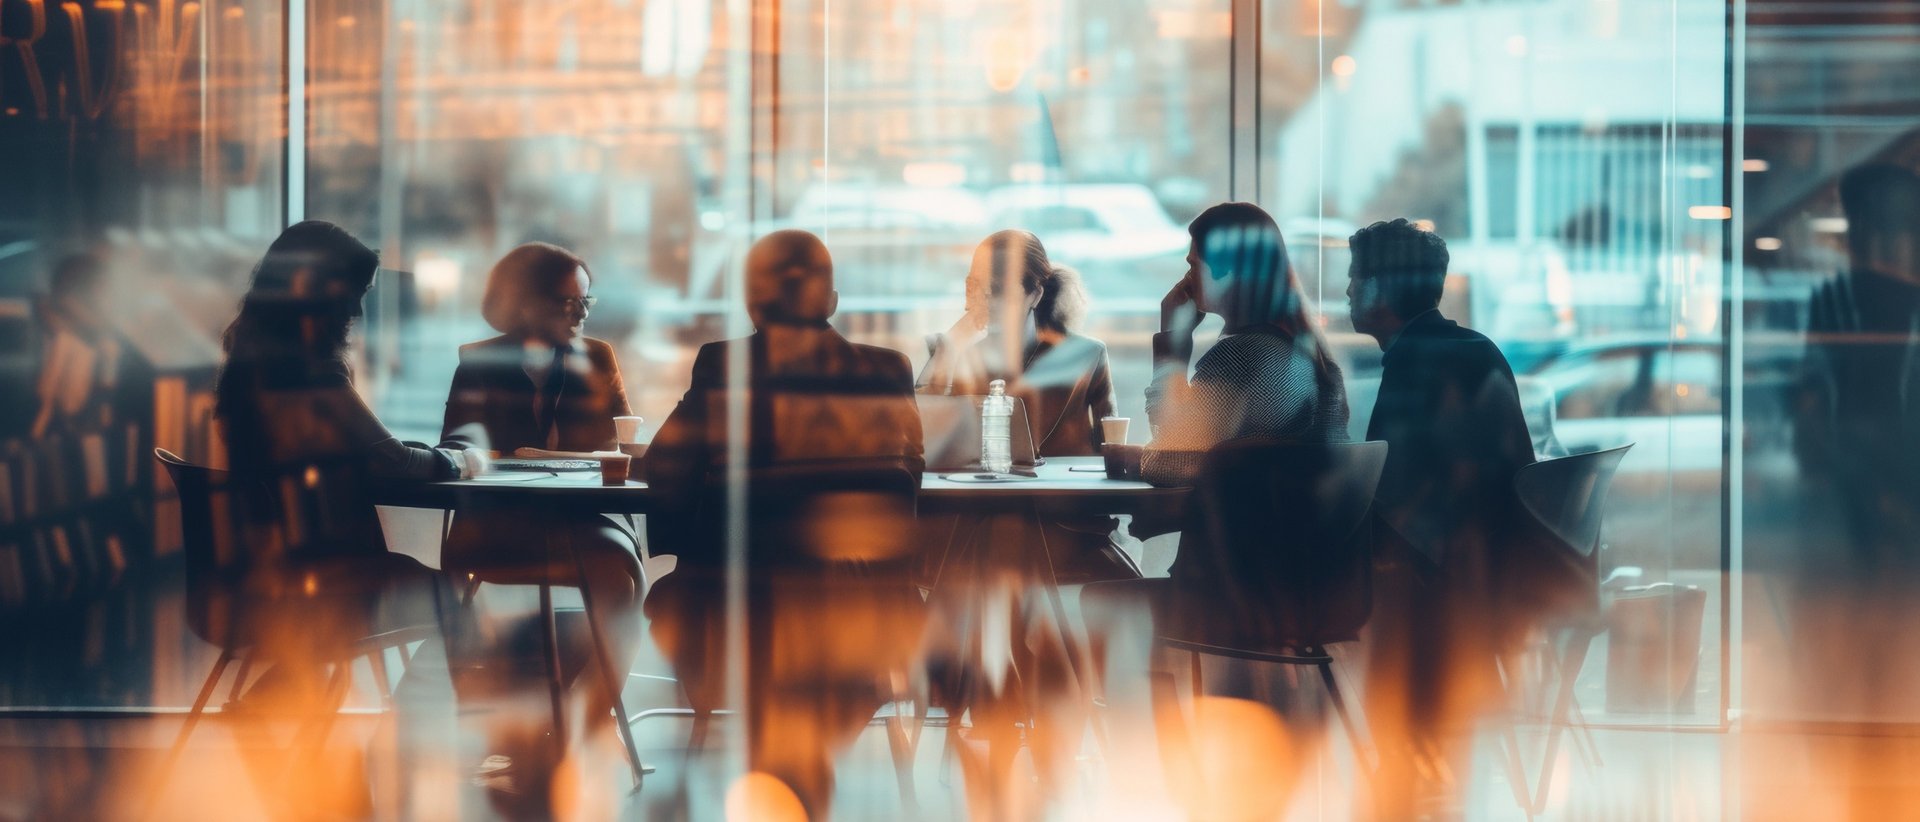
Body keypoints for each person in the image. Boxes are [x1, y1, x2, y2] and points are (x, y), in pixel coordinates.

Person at [644, 230, 925, 817]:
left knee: (720, 619)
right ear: (833, 301)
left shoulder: (721, 363)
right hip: (862, 609)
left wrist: (691, 553)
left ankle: (787, 766)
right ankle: (802, 760)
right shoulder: (888, 369)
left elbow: (666, 465)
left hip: (739, 601)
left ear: (752, 304)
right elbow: (909, 477)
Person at [213, 220, 485, 715]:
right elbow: (392, 460)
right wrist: (461, 460)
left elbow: (368, 450)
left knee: (442, 597)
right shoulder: (313, 370)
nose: (357, 312)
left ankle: (263, 705)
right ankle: (428, 731)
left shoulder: (253, 362)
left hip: (269, 567)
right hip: (329, 577)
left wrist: (408, 454)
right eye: (352, 295)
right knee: (456, 600)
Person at [1344, 217, 1538, 816]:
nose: (1346, 290)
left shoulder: (1415, 361)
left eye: (1354, 277)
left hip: (1438, 595)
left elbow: (1390, 498)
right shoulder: (1475, 347)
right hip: (1495, 578)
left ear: (1380, 288)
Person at [435, 241, 645, 793]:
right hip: (501, 522)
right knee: (457, 584)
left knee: (623, 578)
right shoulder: (479, 360)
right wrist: (484, 455)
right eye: (567, 302)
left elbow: (620, 440)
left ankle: (584, 722)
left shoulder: (597, 357)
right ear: (525, 302)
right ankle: (513, 719)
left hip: (582, 518)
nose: (580, 313)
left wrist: (605, 454)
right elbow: (455, 444)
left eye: (585, 301)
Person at [919, 229, 1136, 582]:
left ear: (1035, 293)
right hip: (986, 522)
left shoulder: (1086, 355)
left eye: (998, 290)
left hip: (1065, 525)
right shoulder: (970, 358)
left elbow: (1113, 451)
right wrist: (953, 343)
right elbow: (925, 438)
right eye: (976, 287)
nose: (986, 301)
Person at [1142, 202, 1350, 486]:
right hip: (1295, 515)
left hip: (1251, 515)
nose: (1186, 279)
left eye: (1194, 266)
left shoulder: (1240, 357)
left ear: (1228, 270)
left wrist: (1171, 346)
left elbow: (1166, 466)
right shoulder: (1317, 360)